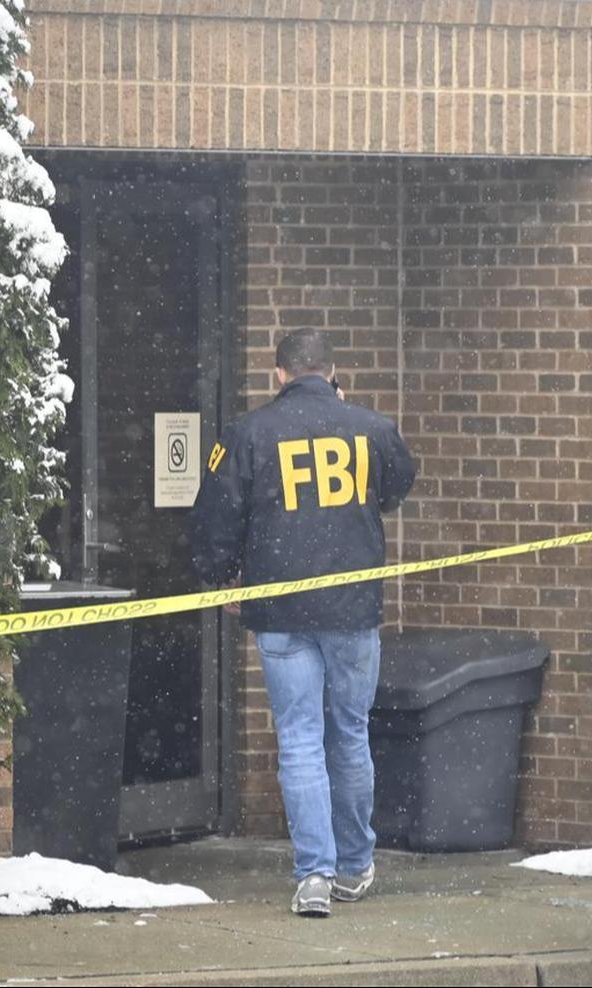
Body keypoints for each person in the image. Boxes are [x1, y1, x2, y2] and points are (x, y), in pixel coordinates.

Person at [192, 327, 417, 917]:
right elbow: (398, 485)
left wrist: (222, 579)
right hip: (352, 609)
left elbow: (216, 517)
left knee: (298, 741)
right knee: (349, 734)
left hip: (281, 611)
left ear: (279, 374)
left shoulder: (248, 434)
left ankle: (313, 875)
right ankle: (355, 864)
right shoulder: (372, 427)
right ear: (333, 372)